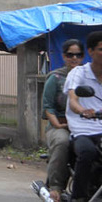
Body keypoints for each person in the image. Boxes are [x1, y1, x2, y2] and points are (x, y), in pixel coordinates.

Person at [42, 39, 84, 202]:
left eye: (78, 55)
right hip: (61, 125)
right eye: (70, 54)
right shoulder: (56, 77)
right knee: (62, 142)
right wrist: (58, 124)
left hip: (86, 125)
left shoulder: (89, 76)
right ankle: (56, 187)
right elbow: (48, 107)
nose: (74, 58)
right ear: (64, 56)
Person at [64, 31, 102, 202]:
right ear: (90, 51)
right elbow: (73, 99)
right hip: (83, 129)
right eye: (101, 49)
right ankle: (78, 197)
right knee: (87, 152)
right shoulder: (79, 73)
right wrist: (82, 111)